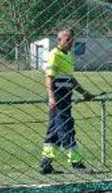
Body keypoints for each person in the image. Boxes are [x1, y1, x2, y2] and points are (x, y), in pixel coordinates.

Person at [40, 28, 96, 174]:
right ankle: (76, 163)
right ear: (59, 41)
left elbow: (70, 79)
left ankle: (46, 164)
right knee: (66, 128)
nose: (70, 43)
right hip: (58, 97)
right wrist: (51, 97)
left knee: (53, 130)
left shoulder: (69, 55)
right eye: (67, 40)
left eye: (72, 40)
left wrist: (84, 93)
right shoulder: (54, 55)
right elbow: (49, 78)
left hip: (67, 95)